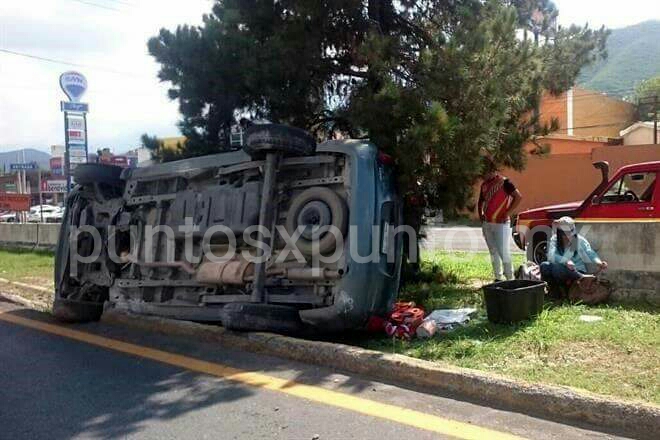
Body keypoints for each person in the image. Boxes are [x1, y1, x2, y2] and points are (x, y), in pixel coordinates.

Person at [477, 158, 522, 282]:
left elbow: (518, 197)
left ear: (491, 170)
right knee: (493, 251)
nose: (483, 175)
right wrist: (480, 214)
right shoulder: (484, 185)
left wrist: (507, 212)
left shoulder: (505, 182)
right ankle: (497, 277)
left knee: (503, 251)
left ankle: (510, 278)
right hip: (487, 223)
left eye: (484, 172)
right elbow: (481, 201)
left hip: (501, 224)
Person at [540, 217, 608, 294]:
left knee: (557, 268)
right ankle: (555, 290)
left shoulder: (580, 240)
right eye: (564, 234)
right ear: (559, 233)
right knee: (544, 265)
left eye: (570, 233)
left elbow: (590, 252)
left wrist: (599, 262)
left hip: (576, 269)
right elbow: (551, 255)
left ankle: (579, 278)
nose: (567, 236)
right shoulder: (554, 239)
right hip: (559, 269)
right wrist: (566, 261)